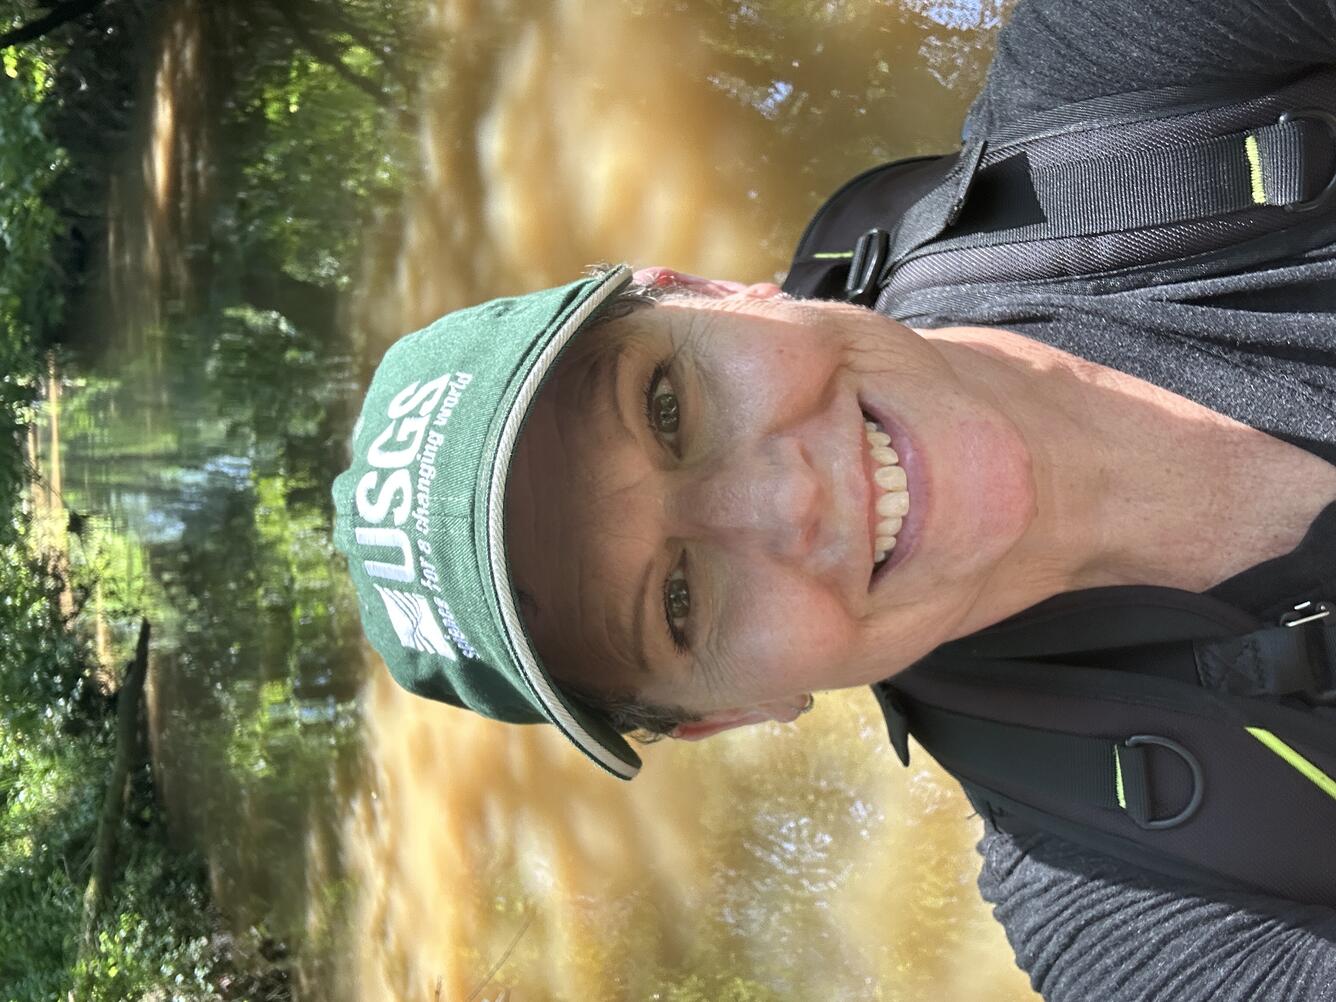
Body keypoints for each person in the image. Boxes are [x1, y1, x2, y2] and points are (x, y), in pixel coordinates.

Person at [333, 0, 1336, 997]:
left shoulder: (1123, 66)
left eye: (668, 405)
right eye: (679, 601)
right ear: (725, 716)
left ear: (708, 290)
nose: (785, 501)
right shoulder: (1141, 915)